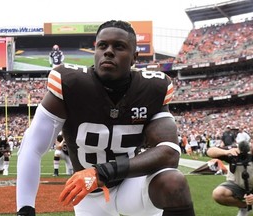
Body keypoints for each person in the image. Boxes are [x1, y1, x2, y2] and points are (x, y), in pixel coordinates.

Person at [17, 20, 195, 216]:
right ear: (95, 51)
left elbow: (169, 152)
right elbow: (32, 146)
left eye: (119, 46)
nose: (109, 51)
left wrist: (103, 172)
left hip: (130, 185)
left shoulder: (152, 88)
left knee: (173, 182)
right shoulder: (71, 84)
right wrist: (25, 209)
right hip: (89, 196)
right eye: (102, 45)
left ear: (134, 57)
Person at [206, 141, 253, 216]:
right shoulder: (238, 150)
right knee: (218, 194)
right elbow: (209, 151)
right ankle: (244, 206)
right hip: (238, 185)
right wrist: (226, 152)